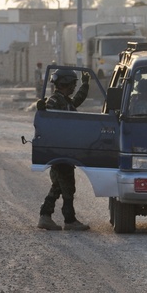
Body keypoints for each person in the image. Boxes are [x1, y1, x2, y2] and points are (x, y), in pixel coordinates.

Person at [37, 69, 91, 231]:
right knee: (66, 186)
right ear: (64, 83)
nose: (74, 87)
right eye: (73, 84)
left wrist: (85, 85)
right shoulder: (54, 100)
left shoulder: (64, 100)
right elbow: (46, 118)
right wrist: (42, 109)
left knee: (59, 186)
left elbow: (77, 100)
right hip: (58, 151)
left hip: (63, 151)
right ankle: (69, 219)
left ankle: (46, 216)